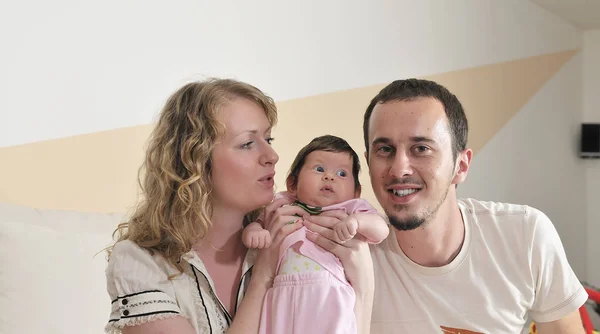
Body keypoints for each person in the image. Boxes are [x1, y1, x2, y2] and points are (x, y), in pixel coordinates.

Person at [104, 79, 374, 334]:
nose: (271, 156)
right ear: (195, 162)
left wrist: (363, 288)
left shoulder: (293, 240)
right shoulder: (140, 263)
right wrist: (262, 278)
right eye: (247, 143)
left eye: (268, 140)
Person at [360, 79, 588, 333]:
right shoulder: (350, 255)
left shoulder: (525, 234)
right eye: (384, 149)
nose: (399, 168)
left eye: (421, 148)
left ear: (461, 166)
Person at [242, 135, 389, 334]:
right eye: (319, 169)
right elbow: (259, 222)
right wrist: (254, 231)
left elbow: (381, 228)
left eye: (342, 173)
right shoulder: (284, 203)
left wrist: (356, 222)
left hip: (328, 294)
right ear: (293, 183)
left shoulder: (351, 208)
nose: (330, 177)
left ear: (356, 191)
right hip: (282, 294)